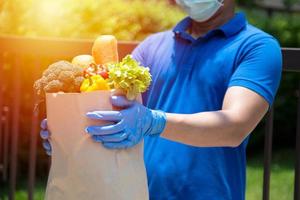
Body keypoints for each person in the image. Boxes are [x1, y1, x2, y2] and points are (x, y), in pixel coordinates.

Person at [40, 0, 282, 199]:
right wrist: (70, 133)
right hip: (137, 192)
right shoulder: (152, 46)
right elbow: (115, 111)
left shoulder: (256, 47)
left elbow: (235, 126)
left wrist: (153, 121)